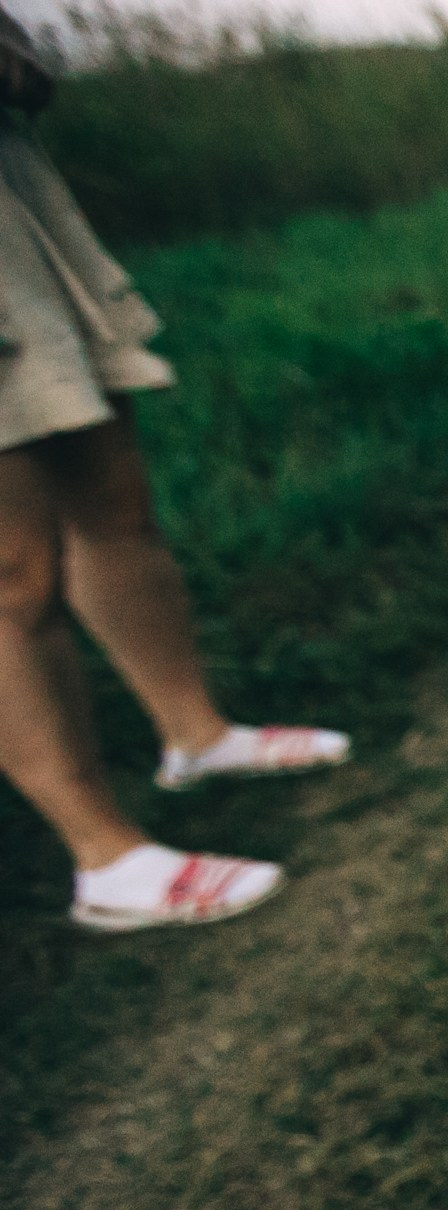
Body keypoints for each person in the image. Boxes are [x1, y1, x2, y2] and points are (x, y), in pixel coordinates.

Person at [0, 5, 347, 932]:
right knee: (13, 569)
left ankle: (195, 734)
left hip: (13, 219)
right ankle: (102, 856)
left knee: (111, 493)